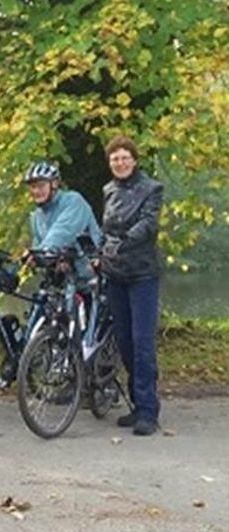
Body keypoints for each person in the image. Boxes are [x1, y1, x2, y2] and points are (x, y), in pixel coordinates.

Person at [16, 160, 103, 386]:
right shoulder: (36, 216)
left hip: (89, 274)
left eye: (41, 185)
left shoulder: (73, 201)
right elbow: (42, 242)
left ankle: (102, 381)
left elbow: (61, 233)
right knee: (58, 319)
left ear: (54, 184)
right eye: (32, 186)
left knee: (92, 333)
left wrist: (41, 251)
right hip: (65, 279)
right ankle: (69, 377)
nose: (36, 191)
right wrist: (32, 259)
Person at [100, 137, 164, 436]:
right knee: (124, 342)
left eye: (125, 157)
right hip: (115, 276)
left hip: (142, 276)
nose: (120, 163)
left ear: (134, 160)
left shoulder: (152, 189)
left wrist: (124, 243)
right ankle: (137, 403)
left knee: (142, 343)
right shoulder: (108, 191)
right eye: (115, 159)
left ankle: (148, 411)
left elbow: (149, 225)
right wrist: (99, 253)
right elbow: (106, 230)